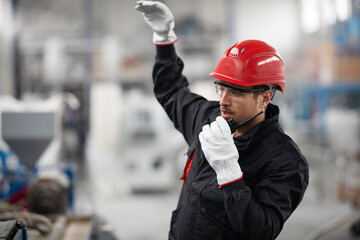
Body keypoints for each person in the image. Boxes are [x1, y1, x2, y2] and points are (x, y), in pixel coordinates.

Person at [135, 1, 309, 240]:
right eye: (221, 88)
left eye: (236, 92)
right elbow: (172, 92)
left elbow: (261, 231)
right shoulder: (208, 119)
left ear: (264, 98)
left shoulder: (285, 162)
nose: (223, 101)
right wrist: (164, 40)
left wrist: (230, 175)